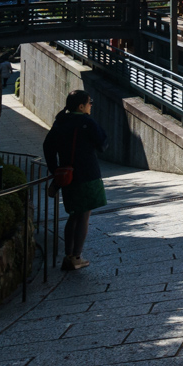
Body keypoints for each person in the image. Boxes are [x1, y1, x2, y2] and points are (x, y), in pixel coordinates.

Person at [43, 89, 108, 270]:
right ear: (81, 106)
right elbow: (102, 143)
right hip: (87, 175)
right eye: (89, 102)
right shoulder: (86, 122)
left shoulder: (60, 122)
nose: (91, 105)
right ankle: (76, 256)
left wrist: (55, 170)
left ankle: (68, 255)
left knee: (73, 215)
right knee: (84, 216)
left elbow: (48, 146)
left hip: (67, 176)